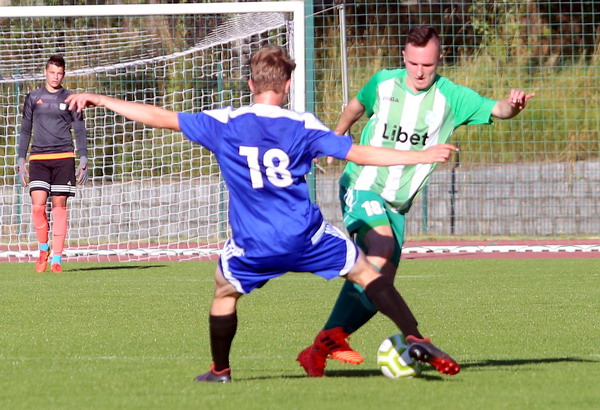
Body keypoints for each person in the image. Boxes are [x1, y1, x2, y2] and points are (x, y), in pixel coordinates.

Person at [66, 45, 460, 383]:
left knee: (224, 291)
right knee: (367, 273)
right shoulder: (303, 125)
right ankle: (414, 336)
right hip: (306, 237)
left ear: (250, 84)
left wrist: (103, 100)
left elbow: (160, 117)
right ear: (287, 86)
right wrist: (421, 155)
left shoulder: (225, 123)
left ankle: (220, 370)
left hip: (253, 243)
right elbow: (358, 153)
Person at [297, 25, 535, 377]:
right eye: (413, 64)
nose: (420, 72)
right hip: (363, 184)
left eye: (428, 65)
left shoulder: (451, 97)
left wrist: (513, 105)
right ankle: (412, 336)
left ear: (440, 59)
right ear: (404, 58)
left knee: (380, 284)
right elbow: (356, 105)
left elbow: (498, 109)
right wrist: (338, 135)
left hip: (397, 204)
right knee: (380, 248)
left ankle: (321, 346)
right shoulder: (383, 83)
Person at [17, 55, 89, 274]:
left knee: (59, 207)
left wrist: (83, 158)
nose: (55, 76)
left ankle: (57, 258)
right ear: (45, 72)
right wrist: (21, 159)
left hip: (63, 157)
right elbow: (25, 130)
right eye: (52, 72)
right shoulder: (33, 97)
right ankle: (43, 249)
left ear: (63, 74)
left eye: (59, 73)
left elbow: (79, 129)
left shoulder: (71, 98)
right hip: (38, 158)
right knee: (38, 206)